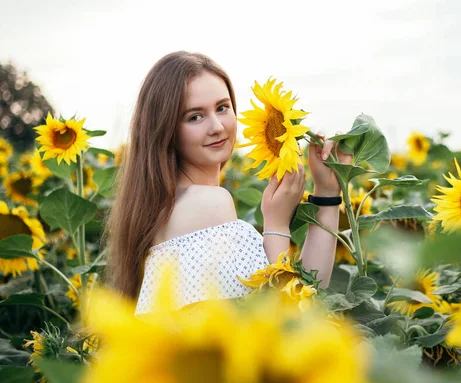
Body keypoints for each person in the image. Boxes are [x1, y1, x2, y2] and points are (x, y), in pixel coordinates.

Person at [104, 51, 351, 315]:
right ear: (166, 130)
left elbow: (306, 292)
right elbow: (278, 318)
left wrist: (326, 193)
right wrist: (276, 223)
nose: (218, 127)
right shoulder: (208, 203)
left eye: (222, 108)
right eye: (194, 117)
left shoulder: (161, 205)